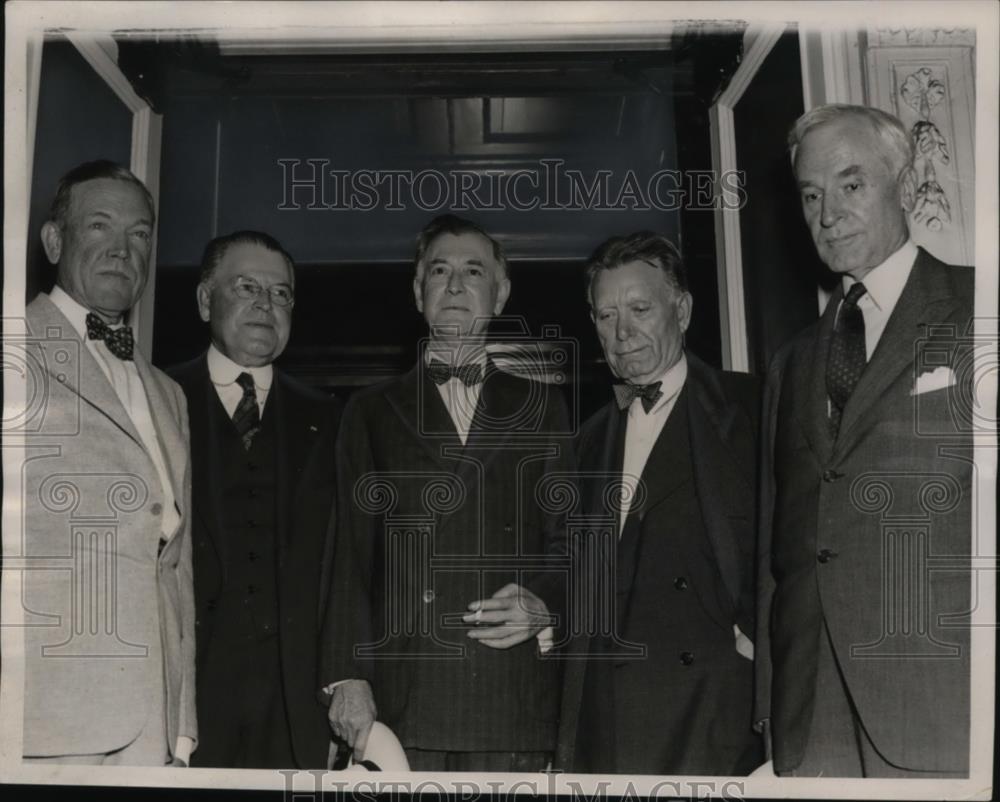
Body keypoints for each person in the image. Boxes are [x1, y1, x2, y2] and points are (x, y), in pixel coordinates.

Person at [755, 104, 974, 777]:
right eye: (812, 195)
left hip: (941, 701)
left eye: (851, 186)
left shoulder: (979, 308)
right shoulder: (792, 362)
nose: (828, 213)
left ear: (904, 184)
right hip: (812, 710)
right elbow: (778, 546)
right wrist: (771, 708)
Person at [321, 214, 573, 772]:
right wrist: (348, 677)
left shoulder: (544, 407)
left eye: (474, 271)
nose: (456, 286)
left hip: (511, 697)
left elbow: (569, 543)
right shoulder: (368, 411)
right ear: (418, 292)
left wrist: (544, 603)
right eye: (440, 270)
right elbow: (349, 558)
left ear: (500, 294)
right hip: (404, 698)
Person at [554, 232, 761, 775]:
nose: (622, 333)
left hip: (714, 716)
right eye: (605, 315)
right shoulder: (584, 442)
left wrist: (762, 649)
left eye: (640, 308)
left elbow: (801, 545)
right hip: (607, 722)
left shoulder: (753, 408)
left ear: (683, 309)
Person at [20, 160, 195, 766]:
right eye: (99, 226)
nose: (123, 249)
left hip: (152, 716)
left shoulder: (168, 392)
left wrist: (183, 723)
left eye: (140, 233)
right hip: (41, 715)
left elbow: (176, 567)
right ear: (53, 240)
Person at [169, 231, 341, 768]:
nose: (266, 305)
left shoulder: (333, 419)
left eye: (281, 293)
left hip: (294, 703)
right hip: (186, 697)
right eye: (246, 287)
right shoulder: (157, 399)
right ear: (205, 300)